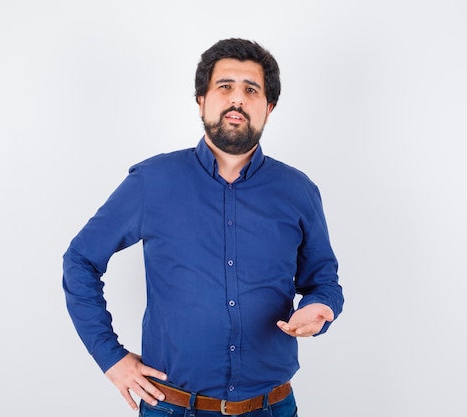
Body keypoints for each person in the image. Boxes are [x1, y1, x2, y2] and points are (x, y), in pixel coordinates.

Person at [63, 38, 344, 417]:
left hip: (271, 408)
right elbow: (80, 260)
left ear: (269, 107)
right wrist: (111, 358)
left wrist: (319, 306)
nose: (237, 99)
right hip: (173, 408)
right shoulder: (152, 181)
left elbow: (323, 279)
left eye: (251, 89)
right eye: (224, 86)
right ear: (201, 100)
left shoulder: (298, 191)